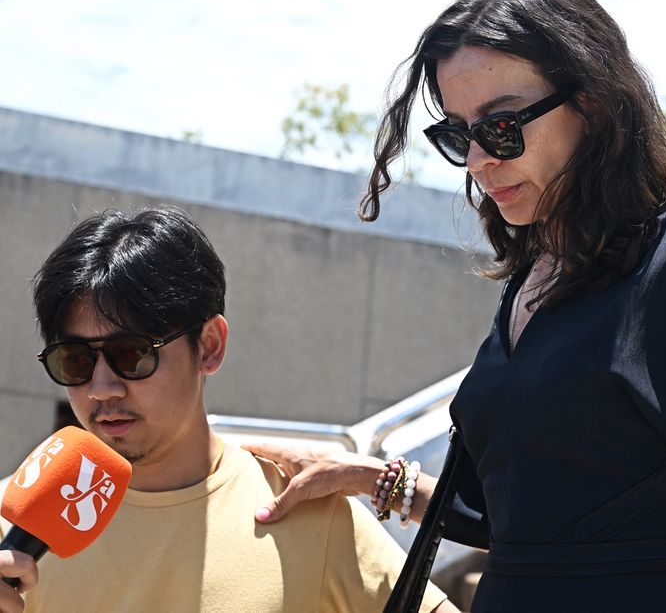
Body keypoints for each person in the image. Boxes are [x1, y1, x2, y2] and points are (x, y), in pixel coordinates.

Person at [248, 0, 666, 612]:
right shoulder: (533, 279)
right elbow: (511, 519)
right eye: (457, 135)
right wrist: (365, 476)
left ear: (590, 102)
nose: (478, 160)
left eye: (502, 128)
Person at [0, 207, 456, 613]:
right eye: (75, 360)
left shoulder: (306, 513)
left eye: (132, 353)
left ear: (210, 346)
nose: (101, 388)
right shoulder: (13, 530)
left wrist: (384, 484)